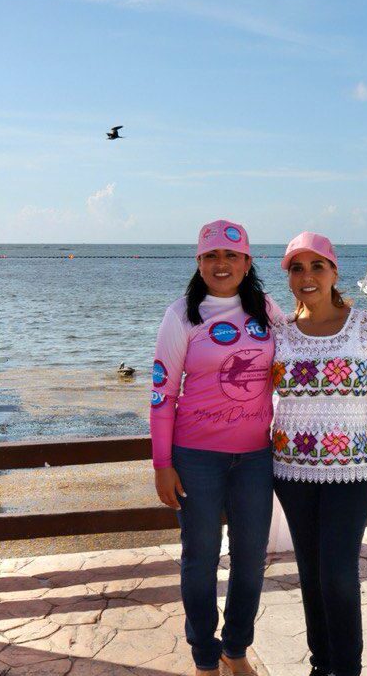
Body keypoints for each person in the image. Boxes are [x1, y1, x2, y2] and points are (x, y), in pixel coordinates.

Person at [150, 220, 283, 676]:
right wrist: (162, 463)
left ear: (247, 262)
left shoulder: (267, 310)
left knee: (251, 558)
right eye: (211, 256)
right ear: (199, 262)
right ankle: (205, 656)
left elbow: (302, 353)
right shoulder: (181, 316)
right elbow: (162, 395)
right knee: (200, 558)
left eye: (231, 255)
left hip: (255, 459)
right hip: (195, 459)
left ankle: (236, 648)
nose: (221, 264)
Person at [270, 232, 367, 676]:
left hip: (354, 472)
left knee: (337, 575)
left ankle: (345, 669)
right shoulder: (278, 333)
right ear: (289, 277)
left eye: (317, 266)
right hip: (291, 472)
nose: (307, 276)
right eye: (297, 268)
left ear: (334, 272)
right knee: (310, 573)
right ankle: (320, 664)